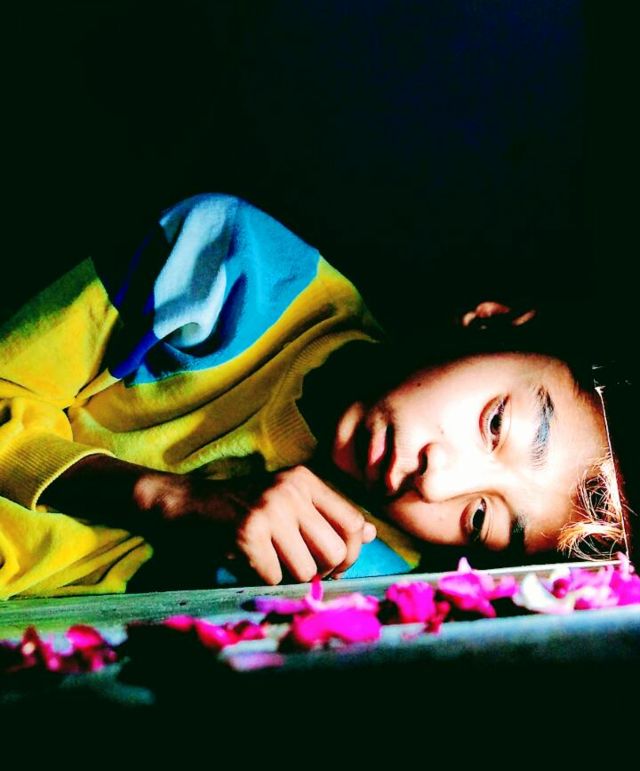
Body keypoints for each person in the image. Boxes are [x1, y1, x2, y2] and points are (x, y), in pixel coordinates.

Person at [0, 194, 625, 598]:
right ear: (493, 323)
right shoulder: (229, 265)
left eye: (482, 519)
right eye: (496, 425)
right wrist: (164, 498)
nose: (437, 483)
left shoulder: (377, 584)